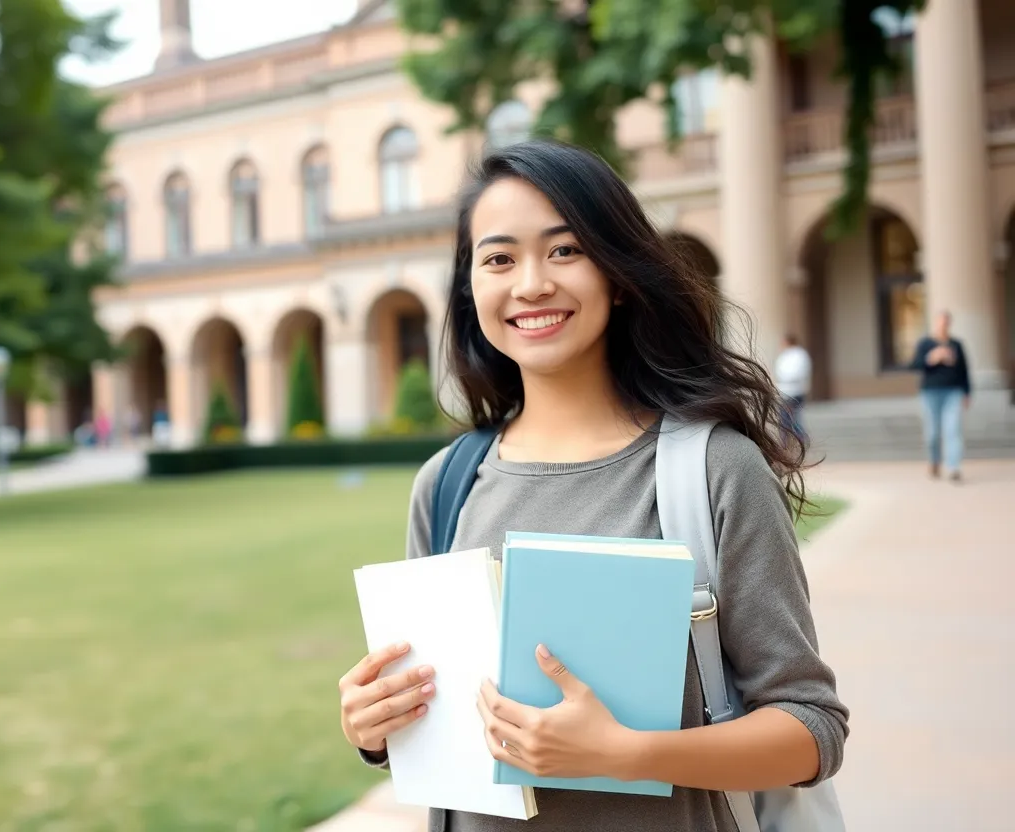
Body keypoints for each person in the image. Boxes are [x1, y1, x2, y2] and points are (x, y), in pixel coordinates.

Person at [336, 140, 848, 832]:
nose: (531, 284)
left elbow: (811, 729)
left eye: (564, 250)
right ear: (471, 290)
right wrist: (378, 725)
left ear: (618, 271)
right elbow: (446, 732)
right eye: (498, 259)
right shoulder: (447, 483)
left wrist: (629, 753)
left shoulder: (714, 471)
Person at [911, 310, 971, 481]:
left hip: (953, 392)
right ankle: (934, 461)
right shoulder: (925, 343)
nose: (943, 325)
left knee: (953, 430)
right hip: (930, 393)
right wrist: (931, 358)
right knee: (932, 432)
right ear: (936, 322)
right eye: (941, 321)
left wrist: (967, 392)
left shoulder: (956, 345)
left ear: (949, 324)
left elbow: (964, 370)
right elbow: (914, 365)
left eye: (947, 322)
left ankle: (954, 468)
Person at [774, 333, 812, 445]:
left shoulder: (799, 354)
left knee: (793, 419)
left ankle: (800, 439)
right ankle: (788, 442)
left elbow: (794, 373)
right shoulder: (785, 355)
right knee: (786, 420)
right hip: (784, 391)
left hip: (794, 391)